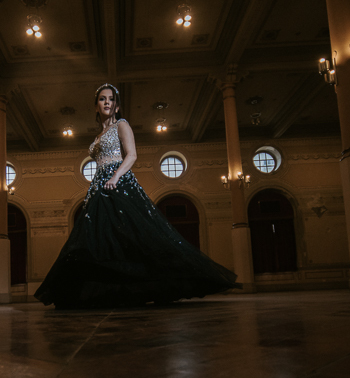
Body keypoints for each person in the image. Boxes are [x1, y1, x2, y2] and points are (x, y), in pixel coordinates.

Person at [34, 83, 240, 309]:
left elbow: (131, 155)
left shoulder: (122, 125)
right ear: (96, 106)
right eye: (102, 99)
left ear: (117, 105)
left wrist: (114, 178)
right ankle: (109, 291)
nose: (107, 103)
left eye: (111, 99)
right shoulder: (99, 134)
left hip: (117, 182)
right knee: (101, 239)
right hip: (99, 186)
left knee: (134, 235)